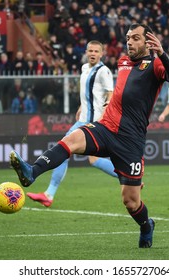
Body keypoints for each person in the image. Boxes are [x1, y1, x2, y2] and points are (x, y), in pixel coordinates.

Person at [10, 23, 169, 248]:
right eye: (128, 37)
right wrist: (110, 102)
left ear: (148, 42)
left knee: (130, 201)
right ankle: (32, 171)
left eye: (136, 38)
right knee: (71, 139)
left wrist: (162, 54)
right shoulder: (123, 62)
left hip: (130, 141)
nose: (129, 41)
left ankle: (146, 225)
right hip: (106, 128)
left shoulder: (156, 65)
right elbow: (124, 91)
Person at [27, 40, 117, 208]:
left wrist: (103, 117)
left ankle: (129, 177)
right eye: (90, 50)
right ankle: (49, 194)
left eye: (96, 51)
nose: (92, 53)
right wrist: (81, 106)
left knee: (83, 156)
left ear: (102, 53)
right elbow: (89, 93)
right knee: (66, 151)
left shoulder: (104, 71)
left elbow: (110, 95)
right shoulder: (84, 68)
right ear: (86, 51)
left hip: (93, 121)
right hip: (82, 119)